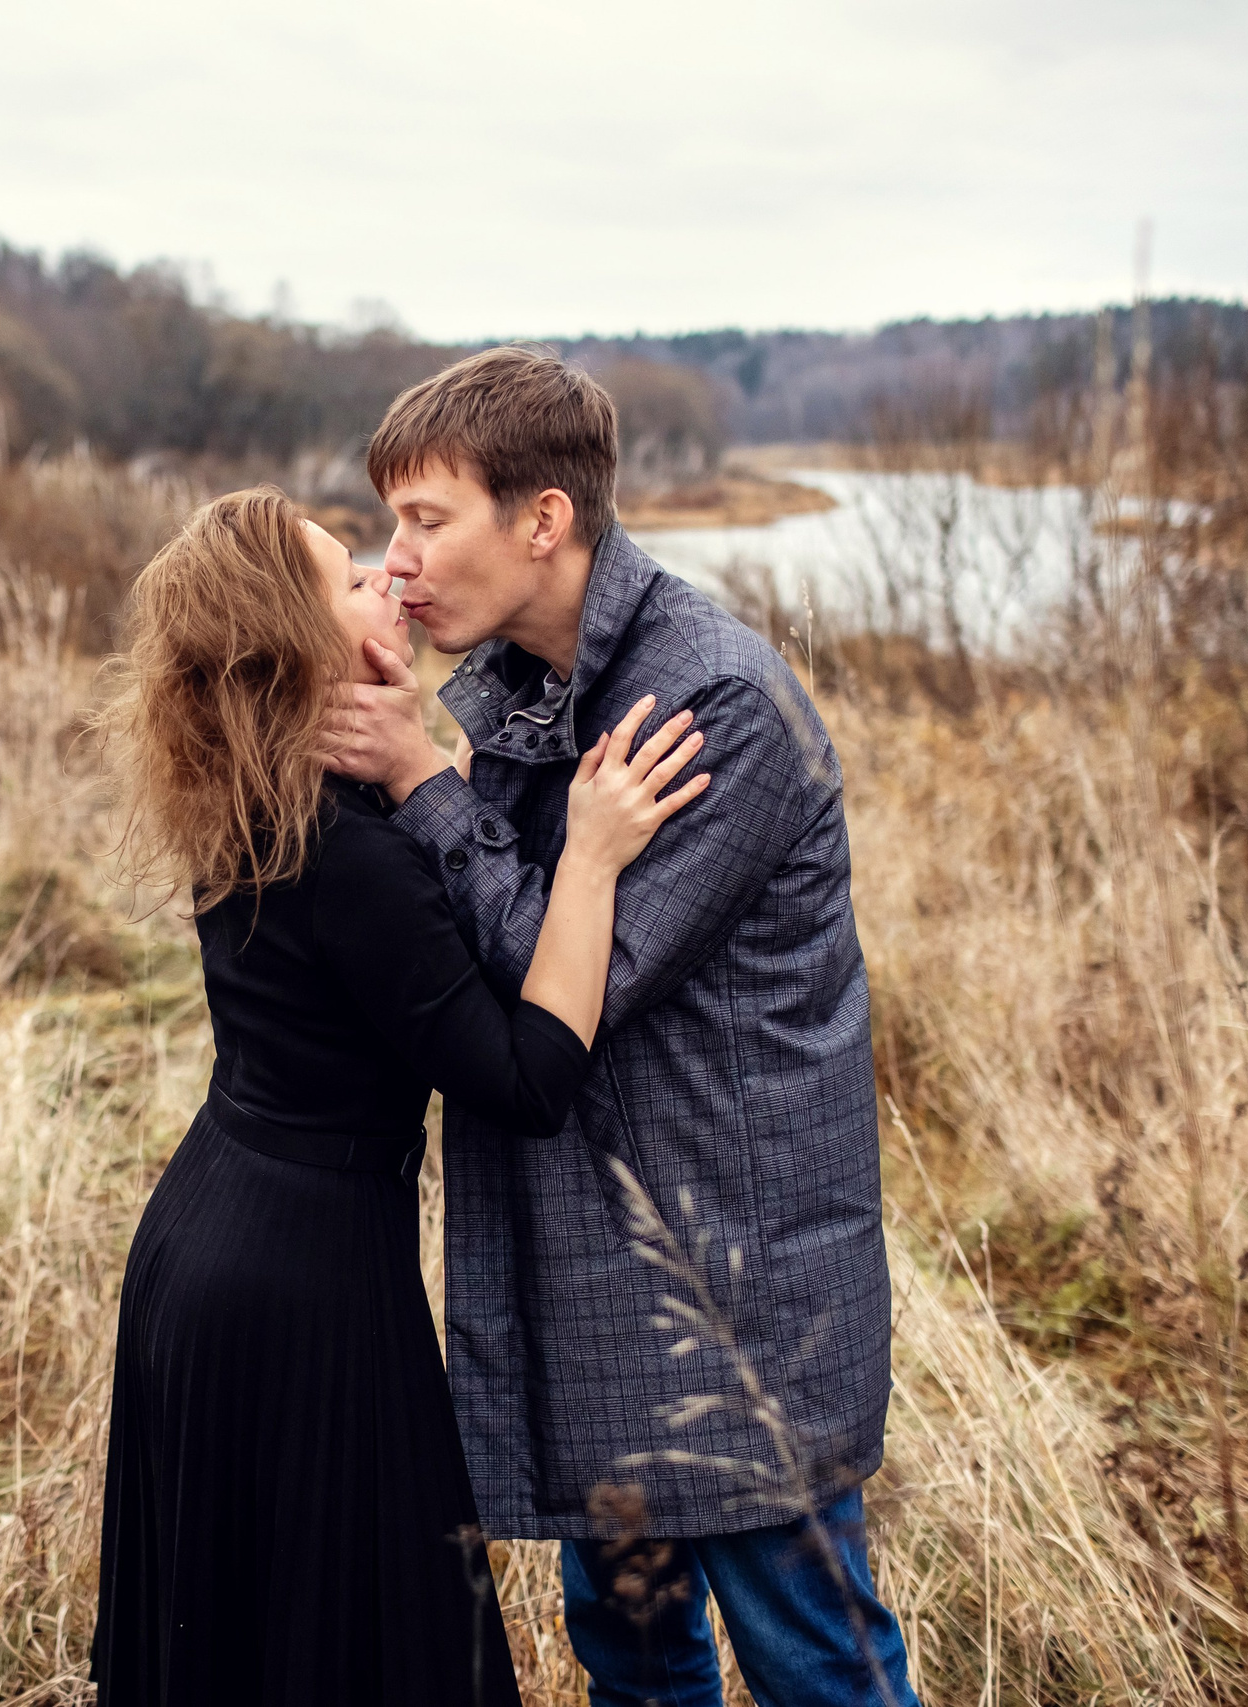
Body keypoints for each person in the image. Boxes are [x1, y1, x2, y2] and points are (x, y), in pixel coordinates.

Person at [323, 345, 924, 1707]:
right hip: (594, 1263)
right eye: (391, 525)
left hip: (734, 1284)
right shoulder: (539, 685)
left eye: (427, 519)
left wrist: (421, 772)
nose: (398, 558)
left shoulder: (712, 703)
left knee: (816, 1664)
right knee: (637, 1667)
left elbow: (572, 969)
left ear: (544, 520)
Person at [88, 486, 708, 1706]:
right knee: (361, 1633)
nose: (388, 574)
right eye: (352, 580)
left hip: (215, 1237)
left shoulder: (266, 798)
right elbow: (529, 1077)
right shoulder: (345, 854)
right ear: (302, 645)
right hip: (298, 1288)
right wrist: (586, 860)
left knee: (253, 1626)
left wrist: (431, 770)